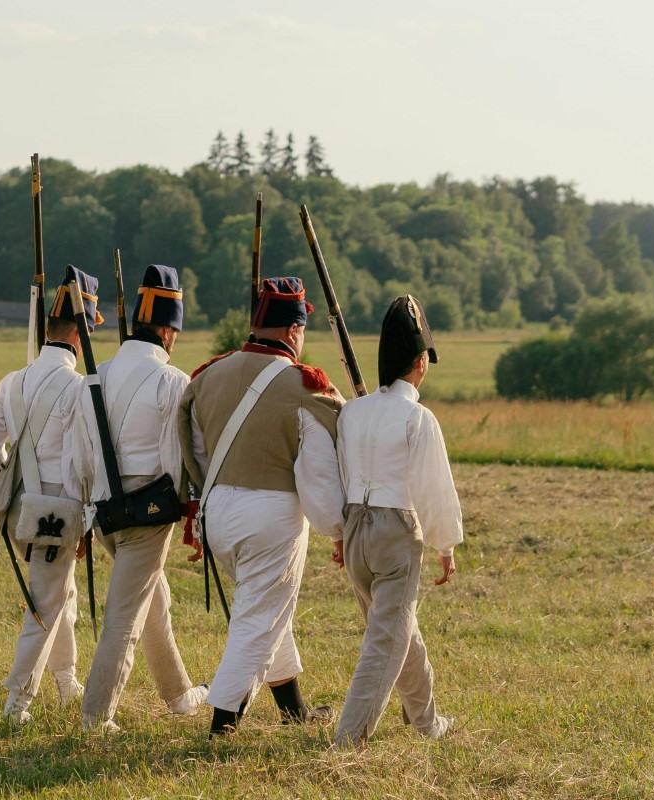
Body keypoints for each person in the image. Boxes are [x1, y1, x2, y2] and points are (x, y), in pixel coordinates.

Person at [178, 277, 345, 737]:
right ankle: (222, 727)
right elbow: (317, 479)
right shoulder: (305, 388)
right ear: (293, 331)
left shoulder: (208, 375)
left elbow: (192, 449)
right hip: (269, 518)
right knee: (257, 618)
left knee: (267, 606)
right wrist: (339, 528)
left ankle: (294, 711)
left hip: (216, 515)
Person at [69, 264, 208, 731]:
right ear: (168, 330)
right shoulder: (172, 381)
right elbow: (177, 458)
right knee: (125, 617)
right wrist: (191, 505)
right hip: (149, 512)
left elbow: (82, 452)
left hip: (105, 510)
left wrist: (87, 509)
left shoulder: (96, 375)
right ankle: (96, 716)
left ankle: (178, 694)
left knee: (155, 601)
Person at [333, 294, 462, 746]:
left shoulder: (352, 412)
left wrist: (340, 532)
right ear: (420, 361)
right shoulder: (418, 418)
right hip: (395, 534)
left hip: (355, 532)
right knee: (385, 642)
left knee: (398, 631)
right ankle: (350, 738)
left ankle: (426, 722)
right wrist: (445, 546)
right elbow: (433, 488)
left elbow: (343, 474)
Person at [0, 265, 98, 724]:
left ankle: (67, 681)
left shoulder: (11, 381)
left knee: (61, 596)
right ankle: (18, 701)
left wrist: (11, 483)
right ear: (76, 333)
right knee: (46, 604)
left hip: (16, 512)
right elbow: (83, 461)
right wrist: (87, 514)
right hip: (57, 513)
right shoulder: (77, 388)